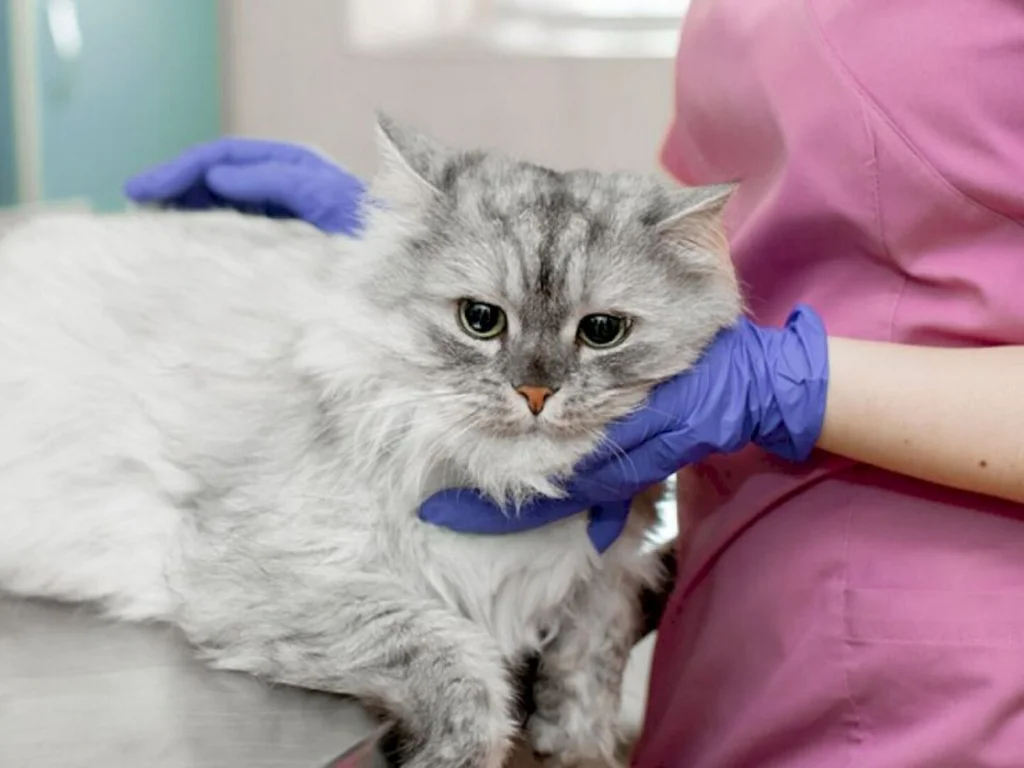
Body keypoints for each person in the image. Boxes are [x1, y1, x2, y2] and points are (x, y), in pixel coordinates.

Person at [125, 0, 1024, 763]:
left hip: (956, 645)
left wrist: (791, 383)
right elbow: (714, 205)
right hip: (741, 583)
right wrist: (432, 248)